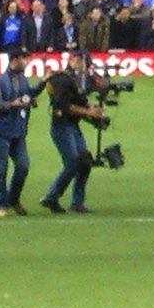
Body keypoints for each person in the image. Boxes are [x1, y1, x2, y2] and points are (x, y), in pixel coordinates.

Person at [39, 51, 107, 214]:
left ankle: (77, 202)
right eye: (85, 65)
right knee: (72, 163)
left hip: (72, 126)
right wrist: (88, 112)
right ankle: (52, 196)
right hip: (62, 126)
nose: (86, 69)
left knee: (84, 162)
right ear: (75, 61)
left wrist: (91, 111)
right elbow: (62, 106)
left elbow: (80, 102)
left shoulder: (73, 80)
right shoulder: (63, 80)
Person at [0, 49, 39, 217]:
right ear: (15, 60)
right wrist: (12, 105)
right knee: (1, 170)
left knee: (23, 166)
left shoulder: (22, 79)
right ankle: (1, 205)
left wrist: (32, 99)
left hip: (17, 131)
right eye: (24, 58)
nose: (27, 61)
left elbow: (27, 95)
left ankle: (13, 199)